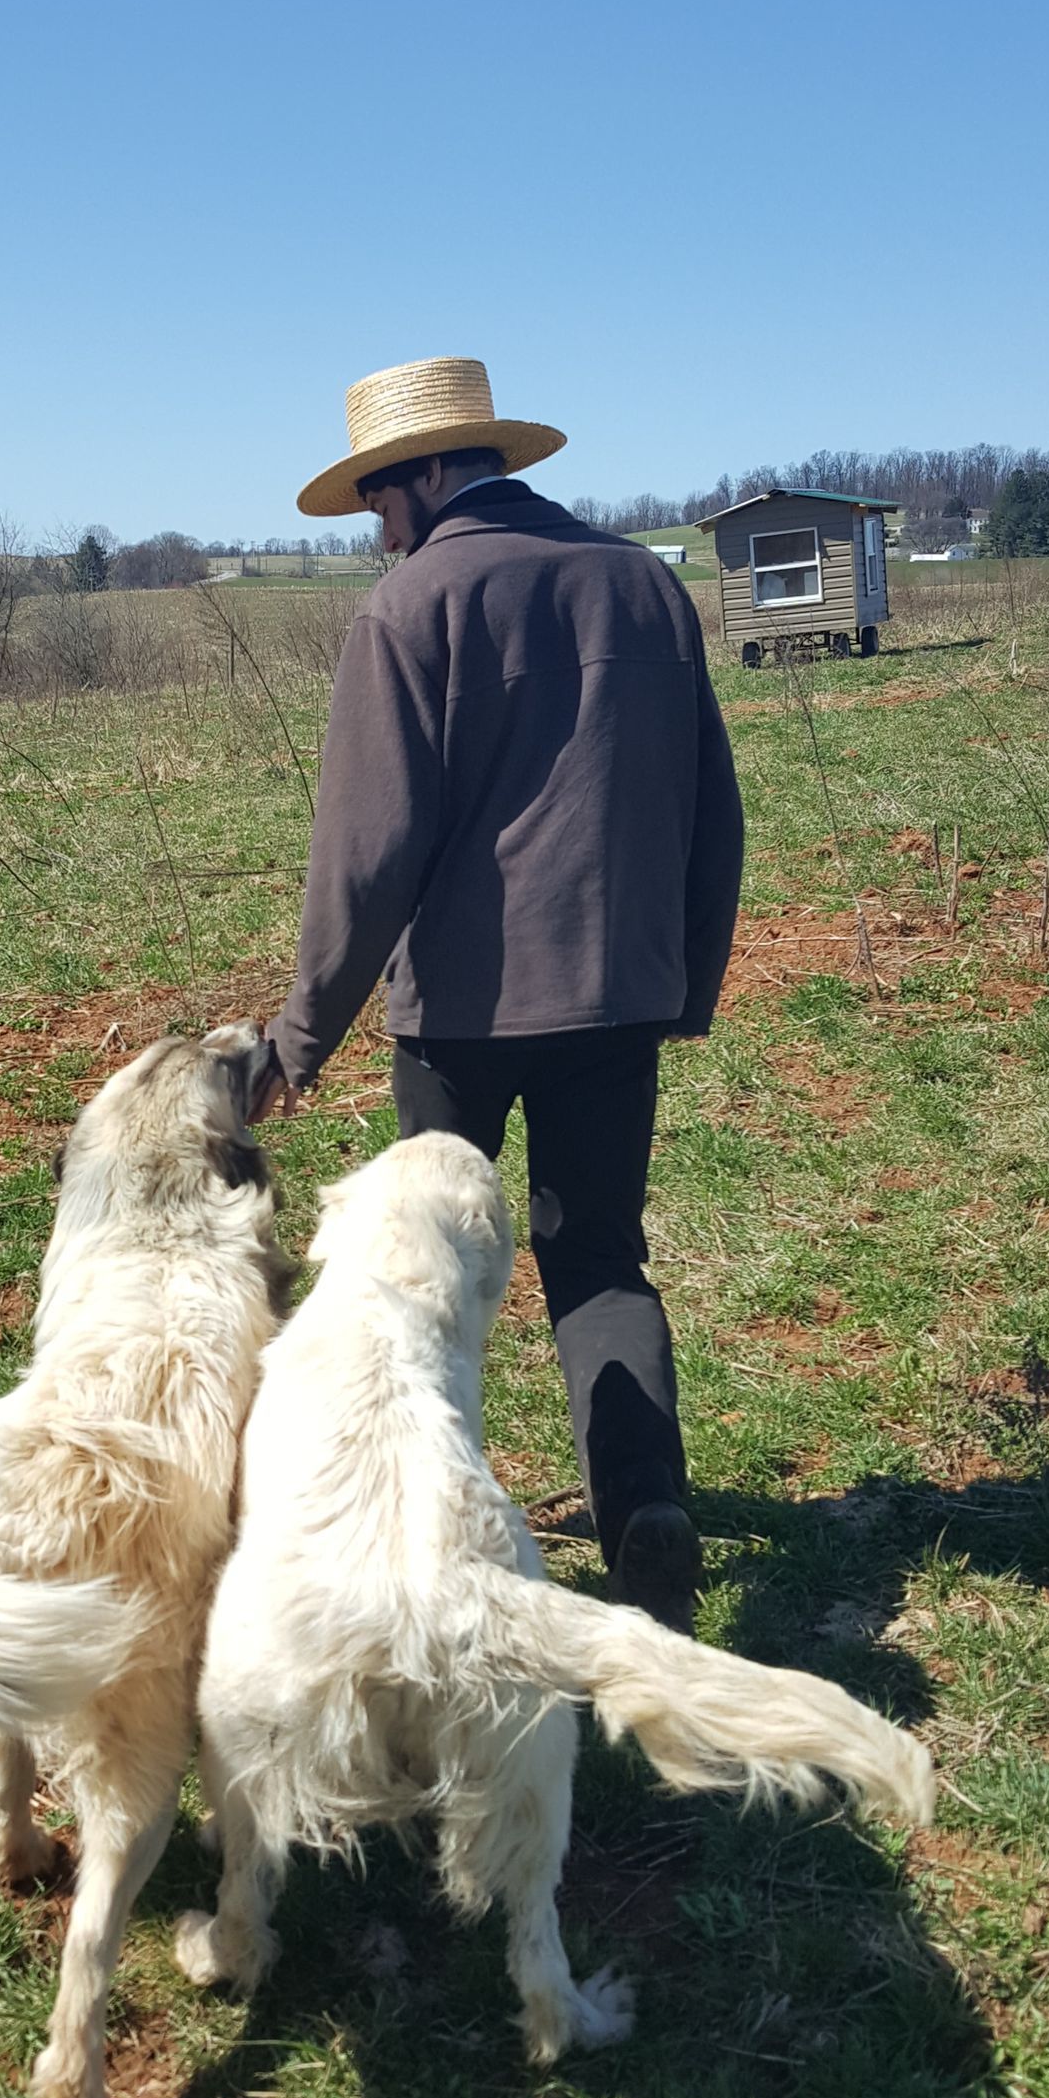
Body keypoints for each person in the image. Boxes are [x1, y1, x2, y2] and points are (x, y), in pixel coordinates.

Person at [251, 356, 743, 1634]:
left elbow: (366, 853)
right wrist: (681, 980)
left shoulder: (409, 611)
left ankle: (426, 1532)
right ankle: (644, 1506)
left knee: (427, 1274)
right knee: (597, 1257)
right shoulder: (646, 586)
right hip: (617, 999)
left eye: (376, 496)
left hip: (459, 1020)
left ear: (421, 478)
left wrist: (300, 1037)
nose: (375, 524)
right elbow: (711, 810)